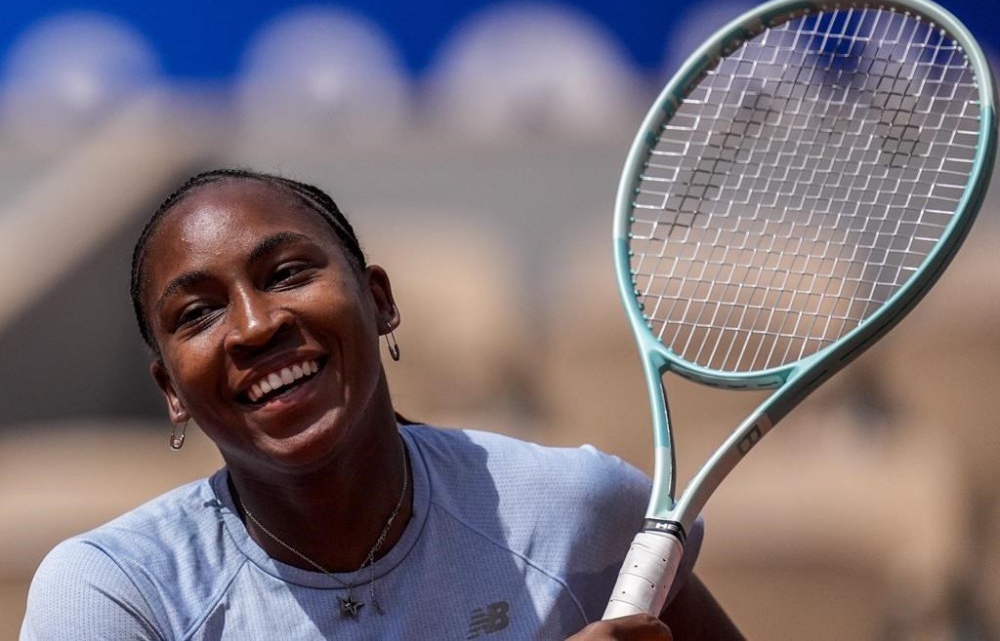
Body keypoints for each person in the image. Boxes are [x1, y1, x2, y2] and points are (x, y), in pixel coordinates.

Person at [20, 169, 742, 639]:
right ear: (171, 391)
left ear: (380, 300)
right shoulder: (110, 594)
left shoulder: (581, 512)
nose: (255, 325)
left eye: (288, 272)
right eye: (199, 313)